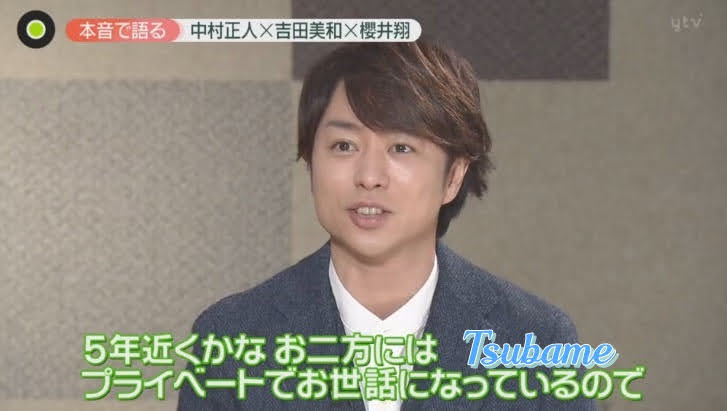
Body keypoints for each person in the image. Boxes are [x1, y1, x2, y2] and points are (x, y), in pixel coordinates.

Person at [178, 40, 594, 410]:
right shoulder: (231, 338)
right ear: (310, 162)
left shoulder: (537, 340)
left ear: (453, 176)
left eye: (401, 147)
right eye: (344, 145)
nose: (369, 176)